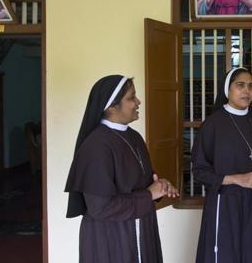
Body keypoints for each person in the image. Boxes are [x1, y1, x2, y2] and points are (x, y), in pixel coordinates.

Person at [65, 75, 179, 263]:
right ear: (111, 106)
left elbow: (143, 183)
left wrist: (160, 186)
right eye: (131, 97)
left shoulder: (134, 137)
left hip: (141, 230)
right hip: (112, 239)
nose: (138, 101)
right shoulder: (96, 146)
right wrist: (148, 195)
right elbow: (100, 207)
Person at [192, 67, 252, 263]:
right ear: (228, 90)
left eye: (251, 86)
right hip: (227, 205)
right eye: (240, 85)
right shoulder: (212, 125)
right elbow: (199, 171)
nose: (247, 91)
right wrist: (237, 179)